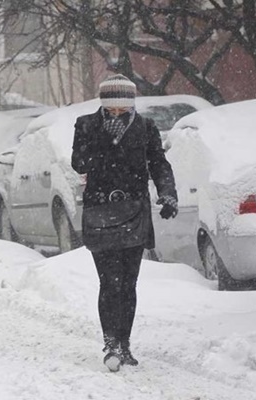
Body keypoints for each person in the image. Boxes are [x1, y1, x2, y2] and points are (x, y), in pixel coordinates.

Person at [71, 74, 178, 372]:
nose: (117, 112)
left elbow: (159, 163)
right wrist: (104, 137)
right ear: (104, 104)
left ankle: (124, 343)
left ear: (131, 104)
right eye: (112, 108)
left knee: (128, 283)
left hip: (134, 211)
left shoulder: (145, 127)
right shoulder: (87, 125)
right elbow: (79, 163)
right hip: (100, 211)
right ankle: (111, 343)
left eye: (122, 108)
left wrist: (168, 195)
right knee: (109, 282)